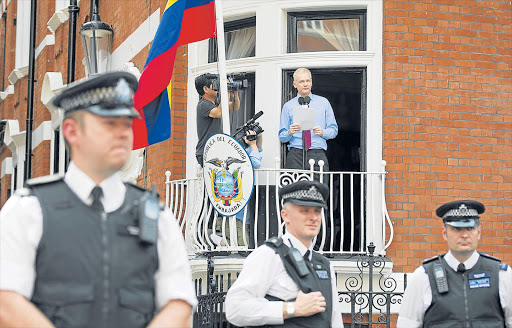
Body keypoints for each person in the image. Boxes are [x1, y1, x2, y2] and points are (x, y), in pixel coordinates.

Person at [0, 72, 197, 328]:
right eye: (109, 124)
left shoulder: (157, 214)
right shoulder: (28, 209)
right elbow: (6, 301)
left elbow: (179, 304)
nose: (123, 134)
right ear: (72, 131)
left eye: (126, 124)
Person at [225, 180, 344, 327]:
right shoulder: (268, 256)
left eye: (317, 211)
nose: (313, 217)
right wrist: (292, 308)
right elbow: (235, 308)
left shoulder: (324, 265)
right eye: (304, 210)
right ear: (285, 215)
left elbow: (334, 320)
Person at [397, 200, 512, 328]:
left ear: (479, 232)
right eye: (456, 229)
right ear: (444, 233)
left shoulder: (501, 275)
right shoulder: (423, 277)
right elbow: (407, 324)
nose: (464, 235)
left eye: (470, 228)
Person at [278, 67, 338, 172]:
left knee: (319, 187)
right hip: (295, 154)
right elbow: (282, 137)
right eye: (301, 81)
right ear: (294, 84)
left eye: (308, 81)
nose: (305, 84)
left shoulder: (323, 103)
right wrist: (290, 132)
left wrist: (323, 132)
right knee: (296, 188)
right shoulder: (288, 106)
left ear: (311, 83)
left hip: (317, 152)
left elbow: (334, 130)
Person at [195, 74, 240, 166]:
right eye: (216, 84)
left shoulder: (216, 103)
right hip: (206, 150)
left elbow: (235, 106)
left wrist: (234, 94)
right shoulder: (203, 104)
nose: (219, 88)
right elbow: (219, 113)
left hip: (215, 149)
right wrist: (225, 89)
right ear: (206, 89)